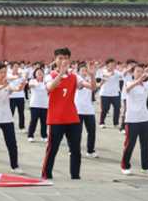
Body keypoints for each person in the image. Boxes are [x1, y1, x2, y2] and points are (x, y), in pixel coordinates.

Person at [41, 49, 97, 180]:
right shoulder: (50, 75)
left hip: (72, 118)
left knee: (76, 150)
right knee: (52, 148)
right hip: (56, 119)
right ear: (55, 59)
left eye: (65, 58)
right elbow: (50, 88)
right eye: (60, 58)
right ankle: (46, 174)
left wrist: (92, 75)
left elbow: (92, 87)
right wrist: (60, 74)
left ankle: (75, 175)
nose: (63, 61)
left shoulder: (74, 76)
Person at [0, 63, 25, 174]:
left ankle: (14, 166)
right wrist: (3, 85)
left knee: (12, 143)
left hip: (7, 118)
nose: (3, 75)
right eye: (0, 72)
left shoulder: (8, 84)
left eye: (4, 72)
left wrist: (20, 88)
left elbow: (14, 88)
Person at [74, 63, 99, 158]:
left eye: (86, 70)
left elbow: (94, 87)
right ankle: (73, 149)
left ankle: (90, 150)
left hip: (89, 110)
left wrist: (92, 75)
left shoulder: (90, 80)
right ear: (78, 72)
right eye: (82, 71)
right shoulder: (76, 80)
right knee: (76, 133)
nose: (84, 73)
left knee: (92, 132)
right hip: (78, 110)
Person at [27, 67, 49, 143]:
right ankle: (30, 135)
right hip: (34, 104)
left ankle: (44, 136)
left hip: (44, 104)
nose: (40, 73)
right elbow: (30, 84)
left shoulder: (46, 82)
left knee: (44, 121)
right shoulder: (32, 81)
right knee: (33, 121)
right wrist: (36, 83)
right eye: (38, 72)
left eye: (41, 72)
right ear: (35, 74)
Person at [98, 59, 122, 128]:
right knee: (105, 109)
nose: (113, 64)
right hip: (105, 94)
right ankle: (101, 122)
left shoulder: (117, 72)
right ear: (107, 64)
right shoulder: (104, 71)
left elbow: (122, 75)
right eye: (111, 63)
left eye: (114, 63)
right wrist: (110, 74)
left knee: (117, 108)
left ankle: (116, 123)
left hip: (115, 93)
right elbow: (105, 74)